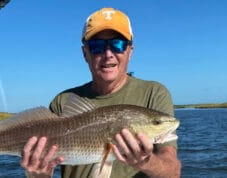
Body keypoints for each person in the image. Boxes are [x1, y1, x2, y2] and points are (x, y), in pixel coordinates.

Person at [20, 7, 181, 178]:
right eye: (97, 46)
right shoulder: (63, 101)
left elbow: (172, 172)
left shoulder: (154, 93)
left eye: (117, 45)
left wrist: (147, 162)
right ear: (85, 53)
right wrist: (37, 174)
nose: (108, 54)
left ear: (130, 51)